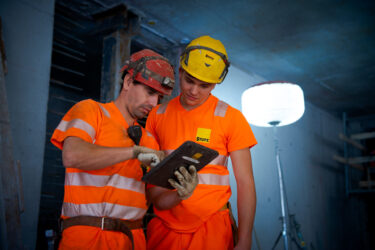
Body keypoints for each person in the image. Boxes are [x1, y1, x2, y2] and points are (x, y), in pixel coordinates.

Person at [50, 49, 176, 250]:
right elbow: (72, 155)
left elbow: (157, 200)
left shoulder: (149, 140)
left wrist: (181, 193)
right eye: (150, 92)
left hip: (131, 240)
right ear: (128, 82)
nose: (154, 103)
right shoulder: (91, 111)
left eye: (159, 97)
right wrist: (133, 152)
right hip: (85, 238)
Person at [145, 35, 258, 250]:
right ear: (179, 72)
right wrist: (178, 195)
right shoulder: (157, 115)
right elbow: (152, 189)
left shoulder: (231, 118)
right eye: (189, 80)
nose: (194, 91)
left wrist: (244, 239)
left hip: (212, 227)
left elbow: (245, 183)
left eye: (204, 85)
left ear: (215, 84)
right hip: (164, 229)